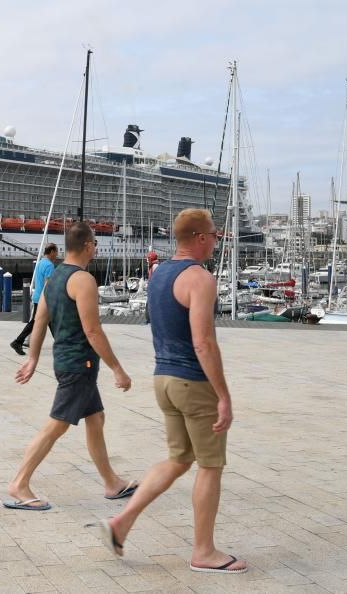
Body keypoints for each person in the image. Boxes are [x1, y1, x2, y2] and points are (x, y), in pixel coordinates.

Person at [96, 209, 247, 574]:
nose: (217, 239)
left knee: (179, 459)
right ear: (199, 237)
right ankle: (204, 552)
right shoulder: (200, 278)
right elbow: (204, 343)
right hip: (193, 383)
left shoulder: (159, 274)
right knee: (210, 466)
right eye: (213, 234)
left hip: (162, 379)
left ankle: (122, 522)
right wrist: (223, 395)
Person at [5, 222, 137, 511]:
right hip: (79, 363)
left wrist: (33, 358)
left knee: (96, 418)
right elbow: (93, 331)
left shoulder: (54, 278)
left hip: (68, 361)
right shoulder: (83, 280)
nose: (97, 248)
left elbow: (40, 321)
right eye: (96, 244)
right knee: (56, 425)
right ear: (88, 245)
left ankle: (111, 483)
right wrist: (117, 368)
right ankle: (19, 483)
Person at [10, 243, 58, 356]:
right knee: (42, 322)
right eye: (56, 252)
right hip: (44, 298)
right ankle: (17, 342)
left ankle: (18, 342)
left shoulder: (40, 263)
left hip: (38, 296)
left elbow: (39, 281)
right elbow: (47, 284)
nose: (57, 255)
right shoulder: (49, 265)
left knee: (47, 322)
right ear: (51, 251)